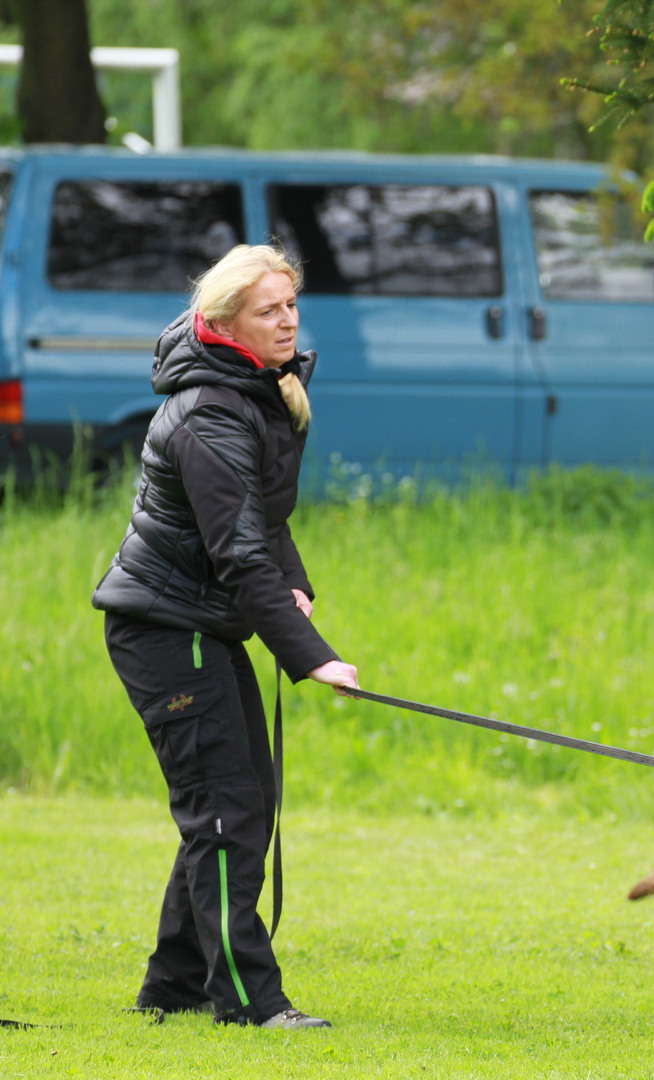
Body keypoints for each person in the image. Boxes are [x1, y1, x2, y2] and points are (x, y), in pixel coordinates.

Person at [92, 245, 359, 1030]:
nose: (288, 321)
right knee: (225, 808)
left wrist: (297, 587)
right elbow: (238, 553)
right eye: (268, 310)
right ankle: (248, 1000)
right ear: (226, 323)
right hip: (168, 628)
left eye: (291, 305)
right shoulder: (209, 412)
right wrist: (312, 659)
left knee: (239, 801)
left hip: (200, 625)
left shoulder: (255, 391)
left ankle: (175, 985)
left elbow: (262, 520)